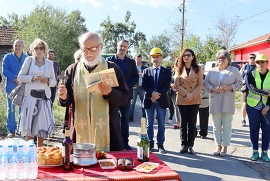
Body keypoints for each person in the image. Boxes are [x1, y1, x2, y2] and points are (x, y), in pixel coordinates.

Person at [58, 32, 129, 152]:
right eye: (85, 49)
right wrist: (64, 97)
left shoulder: (112, 68)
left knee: (108, 166)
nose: (89, 53)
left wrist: (110, 93)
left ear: (101, 47)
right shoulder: (72, 70)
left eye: (93, 48)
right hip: (80, 131)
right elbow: (65, 102)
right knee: (81, 167)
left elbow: (124, 98)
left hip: (108, 130)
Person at [18, 38, 57, 147]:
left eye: (41, 47)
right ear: (32, 49)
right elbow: (21, 77)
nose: (39, 50)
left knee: (42, 126)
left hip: (44, 99)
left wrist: (47, 80)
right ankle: (29, 151)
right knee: (29, 126)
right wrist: (32, 78)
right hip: (30, 97)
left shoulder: (50, 63)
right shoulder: (28, 60)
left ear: (45, 49)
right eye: (36, 48)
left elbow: (54, 82)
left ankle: (40, 151)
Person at [204, 49, 242, 156]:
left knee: (226, 125)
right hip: (215, 99)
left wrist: (230, 87)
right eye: (219, 58)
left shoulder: (234, 70)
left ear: (228, 60)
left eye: (223, 58)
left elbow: (240, 83)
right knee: (216, 125)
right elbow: (205, 83)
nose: (221, 60)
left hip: (228, 100)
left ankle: (225, 146)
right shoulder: (212, 71)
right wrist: (213, 88)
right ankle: (218, 145)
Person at [107, 40, 139, 150]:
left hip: (125, 95)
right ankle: (112, 142)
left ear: (127, 48)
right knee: (111, 119)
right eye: (121, 45)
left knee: (125, 119)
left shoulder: (131, 62)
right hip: (112, 95)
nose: (122, 48)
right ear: (117, 46)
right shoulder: (109, 60)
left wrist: (126, 85)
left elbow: (135, 77)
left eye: (125, 46)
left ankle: (125, 143)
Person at [142, 47, 171, 153]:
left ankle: (160, 145)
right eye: (153, 57)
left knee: (161, 124)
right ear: (150, 59)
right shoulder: (146, 71)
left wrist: (158, 94)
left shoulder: (167, 71)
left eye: (157, 57)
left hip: (161, 100)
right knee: (149, 124)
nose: (155, 59)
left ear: (161, 58)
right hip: (149, 100)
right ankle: (150, 143)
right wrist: (152, 94)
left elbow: (167, 85)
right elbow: (144, 85)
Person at [175, 49, 203, 154]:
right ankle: (183, 145)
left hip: (194, 99)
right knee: (183, 124)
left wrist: (192, 95)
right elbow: (177, 84)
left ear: (193, 57)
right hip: (182, 99)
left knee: (192, 123)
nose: (186, 57)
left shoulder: (199, 69)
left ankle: (191, 145)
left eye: (189, 55)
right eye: (184, 55)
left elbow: (200, 84)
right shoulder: (178, 68)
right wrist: (187, 94)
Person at [245, 54, 270, 162]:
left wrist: (268, 106)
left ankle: (265, 152)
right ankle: (254, 151)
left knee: (267, 129)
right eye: (258, 62)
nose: (260, 64)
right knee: (254, 129)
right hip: (252, 105)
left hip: (267, 107)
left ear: (267, 63)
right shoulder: (251, 74)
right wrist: (267, 93)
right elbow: (252, 88)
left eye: (262, 62)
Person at [2, 39, 28, 138]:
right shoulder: (7, 57)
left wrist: (22, 79)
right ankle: (11, 130)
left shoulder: (27, 58)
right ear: (13, 47)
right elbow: (5, 71)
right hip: (11, 87)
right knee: (11, 109)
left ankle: (21, 129)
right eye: (15, 45)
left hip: (23, 87)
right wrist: (15, 78)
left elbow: (29, 70)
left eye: (19, 45)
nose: (17, 47)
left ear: (23, 47)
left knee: (23, 108)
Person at [129, 54, 147, 122]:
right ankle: (130, 117)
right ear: (135, 59)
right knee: (132, 103)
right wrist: (137, 75)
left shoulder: (145, 68)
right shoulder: (132, 67)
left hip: (143, 88)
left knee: (144, 103)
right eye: (137, 59)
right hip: (134, 88)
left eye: (140, 59)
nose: (139, 60)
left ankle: (145, 117)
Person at [239, 53, 256, 126]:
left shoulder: (257, 67)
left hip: (255, 89)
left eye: (253, 58)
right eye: (250, 58)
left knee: (254, 105)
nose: (252, 59)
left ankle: (253, 120)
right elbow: (240, 76)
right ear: (248, 59)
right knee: (244, 104)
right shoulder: (245, 67)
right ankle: (243, 119)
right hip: (245, 88)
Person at [198, 64, 209, 139]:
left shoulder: (207, 78)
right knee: (192, 119)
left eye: (200, 69)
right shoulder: (194, 77)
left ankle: (203, 133)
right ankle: (193, 132)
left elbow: (208, 88)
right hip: (194, 100)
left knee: (204, 118)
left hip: (204, 100)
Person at [171, 59, 182, 129]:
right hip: (173, 92)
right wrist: (171, 85)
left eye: (180, 61)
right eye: (177, 61)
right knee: (176, 107)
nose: (178, 63)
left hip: (181, 92)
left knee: (181, 108)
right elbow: (170, 80)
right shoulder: (173, 71)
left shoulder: (183, 71)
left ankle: (182, 123)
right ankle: (178, 123)